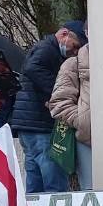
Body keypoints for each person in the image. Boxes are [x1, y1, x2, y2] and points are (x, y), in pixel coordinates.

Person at [11, 19, 85, 194]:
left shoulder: (44, 48)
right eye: (75, 46)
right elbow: (32, 68)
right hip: (39, 122)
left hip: (28, 122)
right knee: (53, 176)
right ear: (64, 34)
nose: (75, 52)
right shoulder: (47, 49)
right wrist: (57, 92)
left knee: (35, 175)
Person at [48, 43, 92, 189]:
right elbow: (59, 102)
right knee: (91, 192)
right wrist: (83, 122)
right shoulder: (74, 63)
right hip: (88, 141)